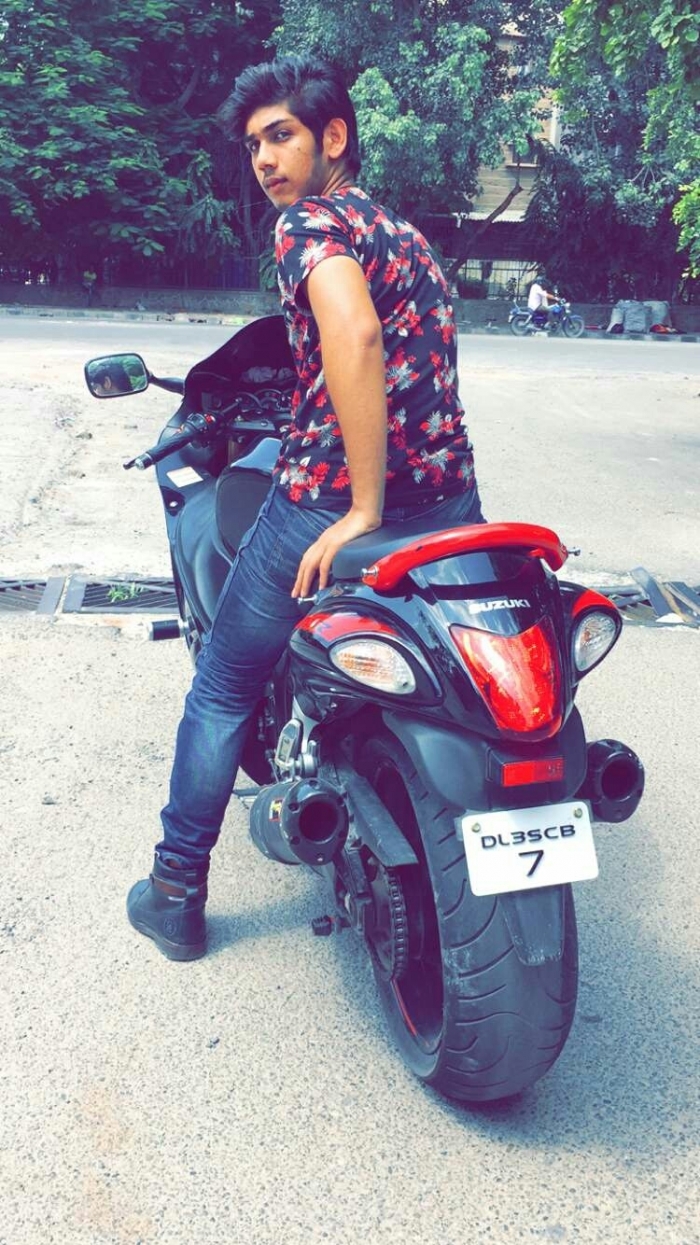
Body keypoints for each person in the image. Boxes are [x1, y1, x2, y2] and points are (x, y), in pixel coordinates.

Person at [127, 54, 484, 961]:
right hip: (450, 496)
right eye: (253, 144)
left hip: (328, 501)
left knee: (222, 687)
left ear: (334, 136)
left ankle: (174, 890)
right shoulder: (404, 234)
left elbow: (355, 334)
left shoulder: (308, 226)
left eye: (281, 135)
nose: (263, 159)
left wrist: (361, 506)